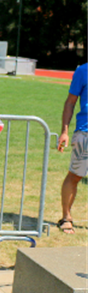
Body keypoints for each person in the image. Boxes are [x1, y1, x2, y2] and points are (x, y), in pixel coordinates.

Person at [57, 63, 87, 234]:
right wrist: (65, 131)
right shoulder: (83, 71)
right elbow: (70, 103)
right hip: (85, 132)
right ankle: (66, 217)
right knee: (75, 175)